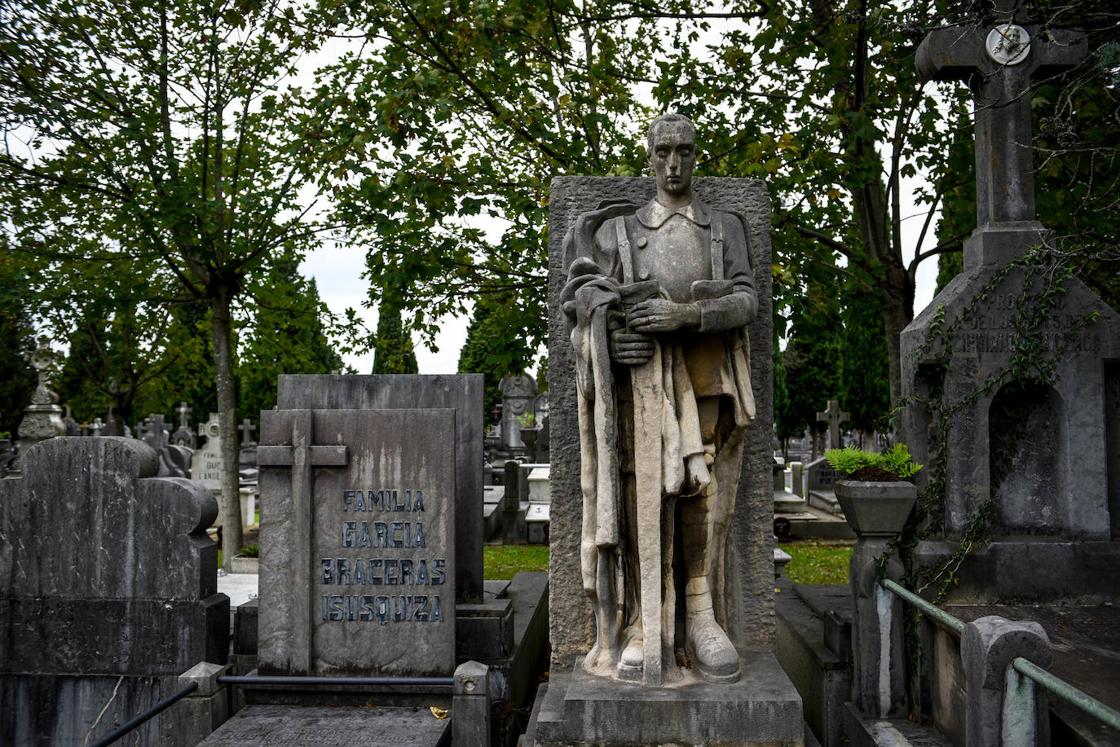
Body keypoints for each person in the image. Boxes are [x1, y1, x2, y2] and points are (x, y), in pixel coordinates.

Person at [561, 113, 757, 683]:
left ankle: (699, 612)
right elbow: (584, 306)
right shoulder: (621, 233)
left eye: (685, 152)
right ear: (648, 157)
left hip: (705, 377)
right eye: (664, 151)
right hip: (642, 388)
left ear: (697, 157)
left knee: (700, 489)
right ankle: (646, 620)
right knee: (640, 490)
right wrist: (608, 339)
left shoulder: (724, 229)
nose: (674, 164)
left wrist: (688, 314)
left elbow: (747, 300)